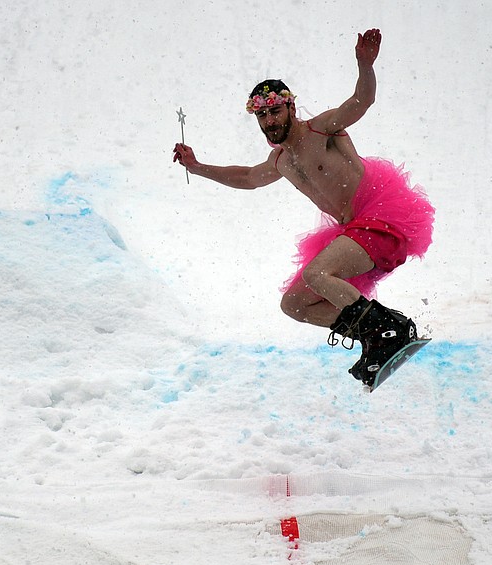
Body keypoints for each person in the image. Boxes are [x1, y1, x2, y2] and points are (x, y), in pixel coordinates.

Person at [172, 29, 435, 387]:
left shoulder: (321, 129)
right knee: (294, 304)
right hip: (355, 232)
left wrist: (364, 65)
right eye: (262, 116)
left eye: (275, 111)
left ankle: (389, 331)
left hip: (382, 219)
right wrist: (197, 166)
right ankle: (375, 338)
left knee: (316, 275)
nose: (269, 121)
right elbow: (247, 177)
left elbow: (361, 101)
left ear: (291, 107)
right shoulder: (280, 161)